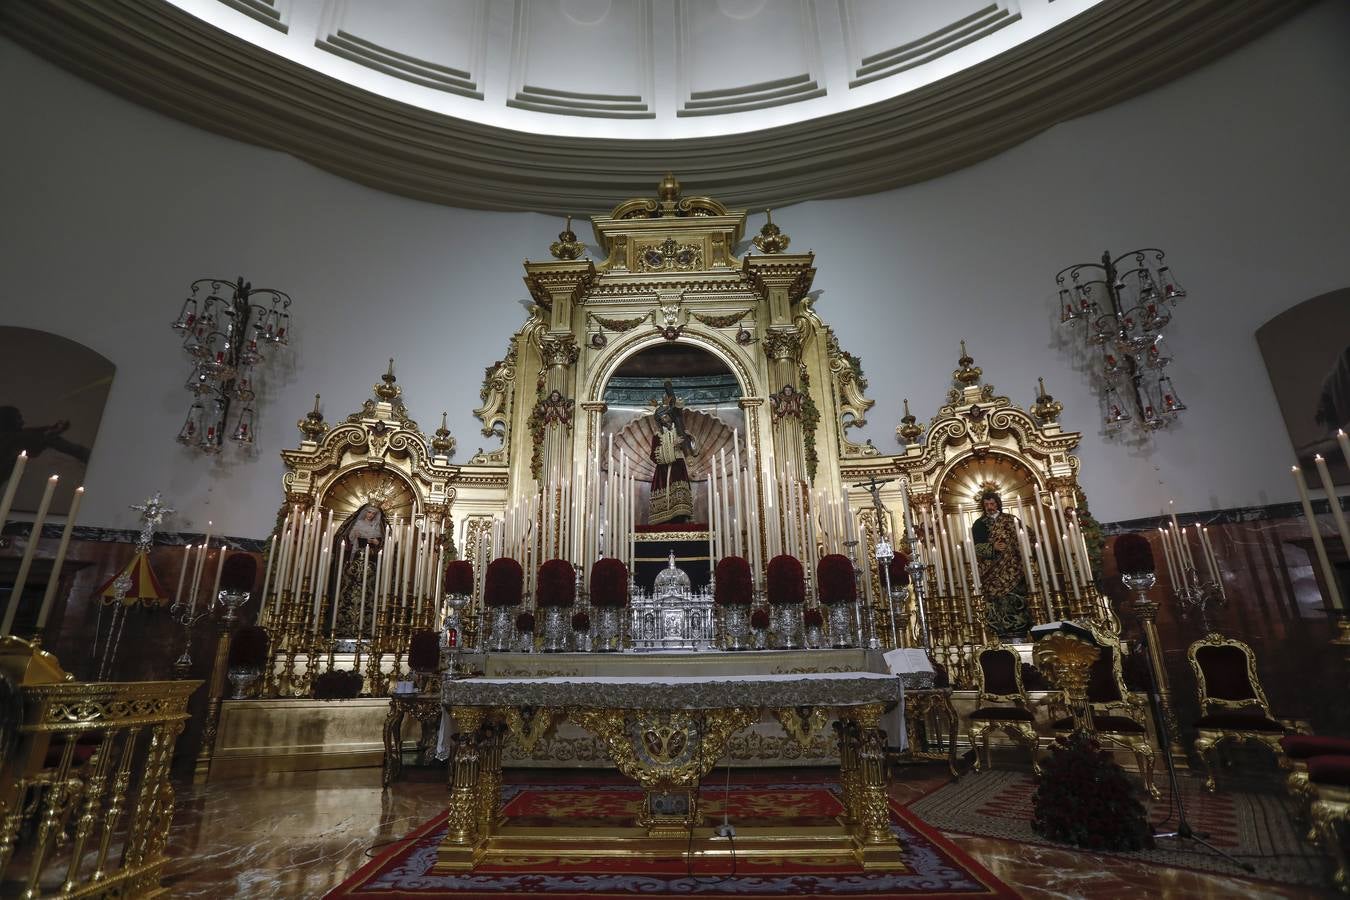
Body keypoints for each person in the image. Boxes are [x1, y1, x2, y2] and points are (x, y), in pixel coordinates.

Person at [971, 490, 1033, 640]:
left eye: (992, 503)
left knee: (1016, 600)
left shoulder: (1011, 520)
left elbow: (1027, 536)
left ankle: (1020, 632)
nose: (989, 507)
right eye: (986, 504)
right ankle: (999, 634)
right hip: (992, 572)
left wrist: (1033, 541)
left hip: (1014, 569)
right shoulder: (979, 524)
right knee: (997, 603)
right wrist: (993, 548)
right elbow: (976, 546)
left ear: (998, 503)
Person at [331, 502, 386, 636]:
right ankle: (345, 623)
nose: (371, 515)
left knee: (369, 591)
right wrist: (354, 536)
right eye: (369, 512)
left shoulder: (377, 526)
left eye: (373, 513)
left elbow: (381, 543)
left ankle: (368, 626)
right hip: (355, 560)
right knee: (350, 589)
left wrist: (375, 542)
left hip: (371, 562)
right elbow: (347, 539)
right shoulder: (357, 523)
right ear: (365, 513)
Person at [649, 399, 695, 525]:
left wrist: (690, 439)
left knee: (680, 493)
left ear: (670, 416)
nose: (665, 419)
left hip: (678, 466)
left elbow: (693, 451)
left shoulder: (680, 430)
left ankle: (681, 516)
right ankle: (664, 518)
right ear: (659, 420)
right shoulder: (658, 435)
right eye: (661, 418)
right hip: (663, 471)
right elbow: (653, 455)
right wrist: (672, 445)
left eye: (665, 416)